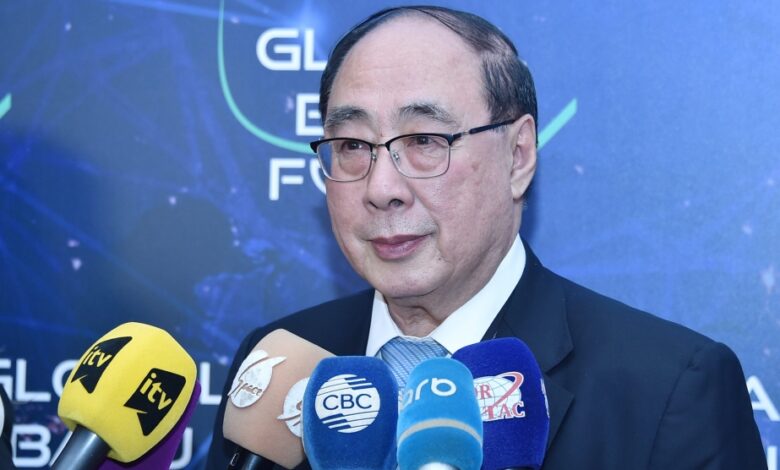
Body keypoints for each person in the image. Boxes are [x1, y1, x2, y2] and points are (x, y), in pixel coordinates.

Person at [207, 6, 766, 469]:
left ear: (518, 156)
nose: (381, 189)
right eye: (353, 145)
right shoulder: (281, 366)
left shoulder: (668, 388)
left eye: (425, 140)